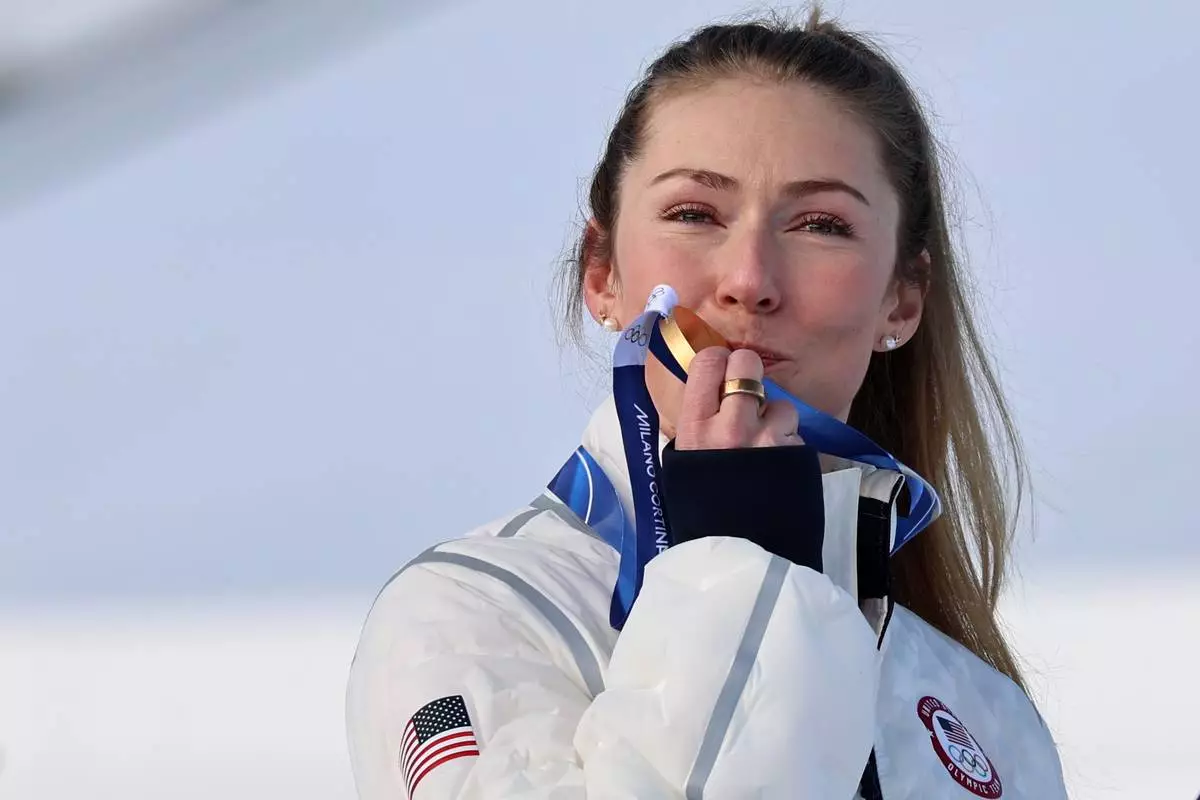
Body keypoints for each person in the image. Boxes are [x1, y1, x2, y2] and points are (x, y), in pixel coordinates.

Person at [346, 10, 1068, 799]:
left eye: (822, 224)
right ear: (602, 274)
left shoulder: (985, 719)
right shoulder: (476, 615)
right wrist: (741, 568)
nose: (750, 278)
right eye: (694, 213)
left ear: (902, 300)